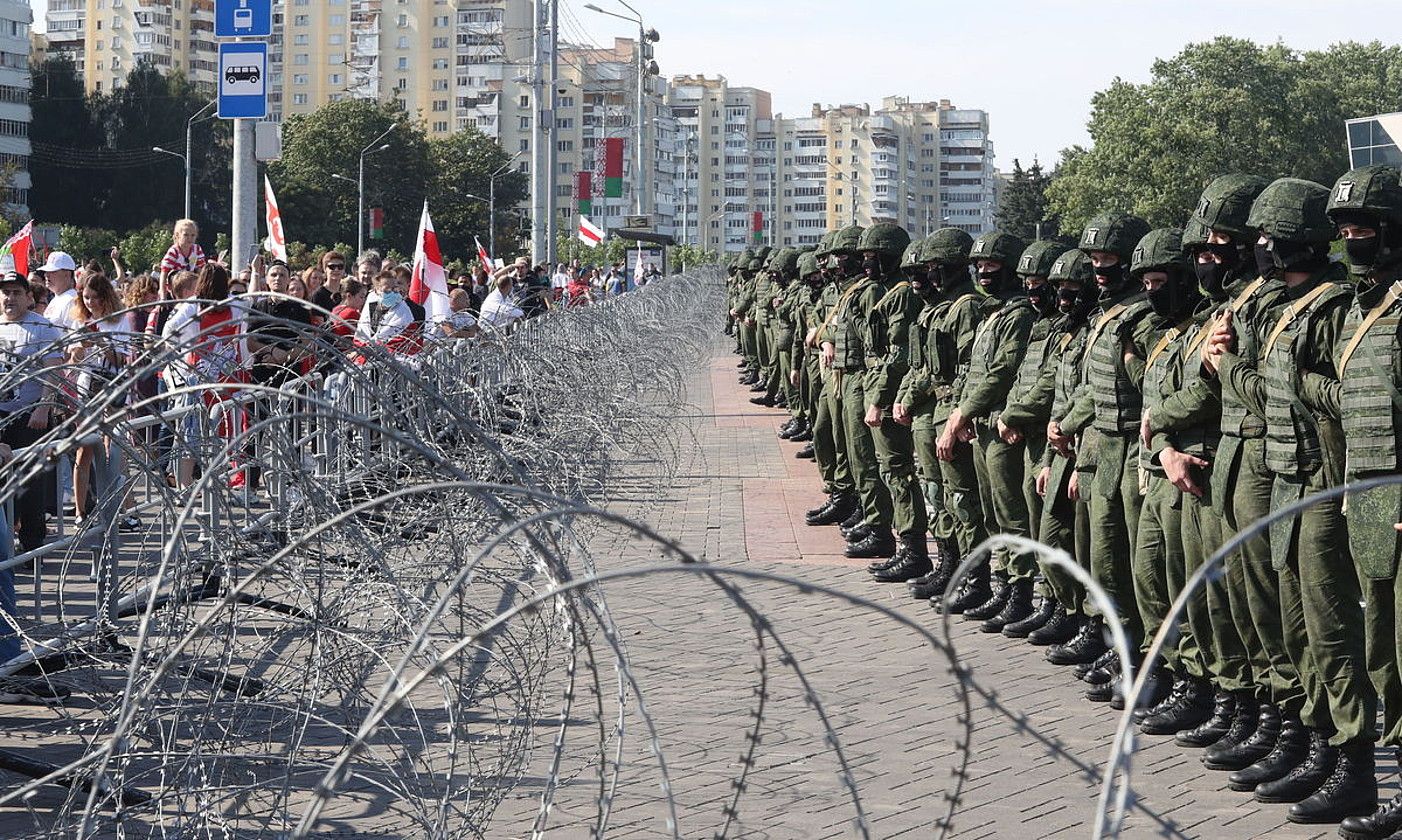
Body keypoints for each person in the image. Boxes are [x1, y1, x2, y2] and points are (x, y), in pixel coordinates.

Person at [0, 271, 62, 552]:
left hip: (29, 415)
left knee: (30, 483)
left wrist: (43, 407)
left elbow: (54, 371)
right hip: (2, 415)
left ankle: (32, 543)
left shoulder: (42, 327)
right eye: (5, 293)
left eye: (16, 293)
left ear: (28, 297)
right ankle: (5, 541)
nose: (9, 298)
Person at [38, 251, 80, 333]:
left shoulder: (72, 300)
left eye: (53, 271)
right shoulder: (58, 299)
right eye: (46, 272)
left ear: (67, 274)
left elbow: (74, 336)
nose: (46, 275)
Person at [159, 219, 207, 286]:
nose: (190, 238)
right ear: (178, 235)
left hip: (189, 286)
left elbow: (200, 270)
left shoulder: (197, 250)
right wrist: (162, 292)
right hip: (174, 287)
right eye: (186, 235)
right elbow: (164, 272)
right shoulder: (174, 252)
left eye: (193, 235)